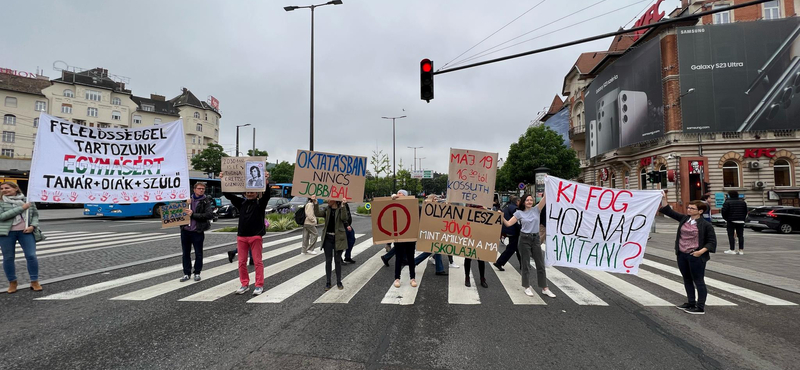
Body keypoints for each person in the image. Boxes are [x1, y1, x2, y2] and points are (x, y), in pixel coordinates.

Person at [659, 193, 717, 315]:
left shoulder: (706, 225)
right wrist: (664, 198)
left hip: (695, 256)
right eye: (688, 208)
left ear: (700, 211)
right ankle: (691, 302)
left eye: (692, 208)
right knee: (687, 279)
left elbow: (711, 242)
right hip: (682, 255)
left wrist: (700, 252)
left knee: (698, 280)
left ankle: (700, 306)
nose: (689, 210)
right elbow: (669, 212)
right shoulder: (685, 219)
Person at [222, 170, 271, 296]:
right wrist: (223, 180)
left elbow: (267, 195)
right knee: (241, 262)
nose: (250, 193)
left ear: (257, 193)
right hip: (242, 236)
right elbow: (228, 195)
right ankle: (244, 284)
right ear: (244, 193)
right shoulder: (241, 203)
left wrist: (266, 180)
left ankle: (259, 285)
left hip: (255, 236)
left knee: (257, 261)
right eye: (248, 191)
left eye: (252, 191)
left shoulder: (260, 204)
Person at [500, 193, 555, 298]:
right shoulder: (519, 213)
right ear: (523, 202)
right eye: (527, 200)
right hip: (524, 239)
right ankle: (527, 287)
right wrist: (501, 216)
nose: (529, 202)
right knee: (526, 264)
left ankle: (545, 288)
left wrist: (547, 181)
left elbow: (545, 197)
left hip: (536, 238)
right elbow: (508, 224)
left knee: (540, 264)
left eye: (531, 200)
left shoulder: (537, 209)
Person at [0, 182, 41, 293]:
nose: (4, 190)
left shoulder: (28, 200)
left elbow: (35, 215)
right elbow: (2, 216)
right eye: (2, 188)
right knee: (8, 258)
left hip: (26, 232)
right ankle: (12, 282)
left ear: (16, 188)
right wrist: (21, 208)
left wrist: (32, 226)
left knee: (31, 256)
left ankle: (34, 281)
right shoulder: (1, 201)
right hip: (6, 233)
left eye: (7, 188)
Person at [311, 194, 351, 290]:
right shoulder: (327, 210)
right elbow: (317, 214)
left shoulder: (341, 209)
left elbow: (344, 218)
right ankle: (328, 282)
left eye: (329, 198)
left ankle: (339, 281)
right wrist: (315, 202)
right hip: (328, 238)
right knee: (328, 261)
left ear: (335, 200)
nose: (327, 200)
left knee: (337, 261)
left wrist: (343, 205)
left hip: (339, 238)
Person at [179, 182, 215, 282]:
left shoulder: (205, 201)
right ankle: (186, 273)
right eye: (199, 188)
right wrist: (185, 203)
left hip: (197, 231)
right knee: (185, 253)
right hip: (185, 230)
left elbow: (209, 215)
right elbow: (177, 212)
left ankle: (197, 272)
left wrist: (193, 214)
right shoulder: (186, 199)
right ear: (194, 189)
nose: (201, 190)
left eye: (203, 189)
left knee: (198, 253)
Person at [494, 195, 521, 271]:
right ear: (517, 201)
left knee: (517, 247)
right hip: (513, 230)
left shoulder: (507, 206)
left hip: (507, 229)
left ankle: (523, 264)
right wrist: (520, 229)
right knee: (512, 248)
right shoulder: (515, 209)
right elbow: (516, 221)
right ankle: (499, 262)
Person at [721, 190, 747, 255]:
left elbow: (724, 211)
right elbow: (745, 211)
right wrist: (743, 218)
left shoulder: (727, 202)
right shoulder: (742, 202)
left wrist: (726, 219)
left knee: (731, 235)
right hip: (741, 220)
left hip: (731, 220)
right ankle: (741, 250)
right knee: (740, 235)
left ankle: (732, 249)